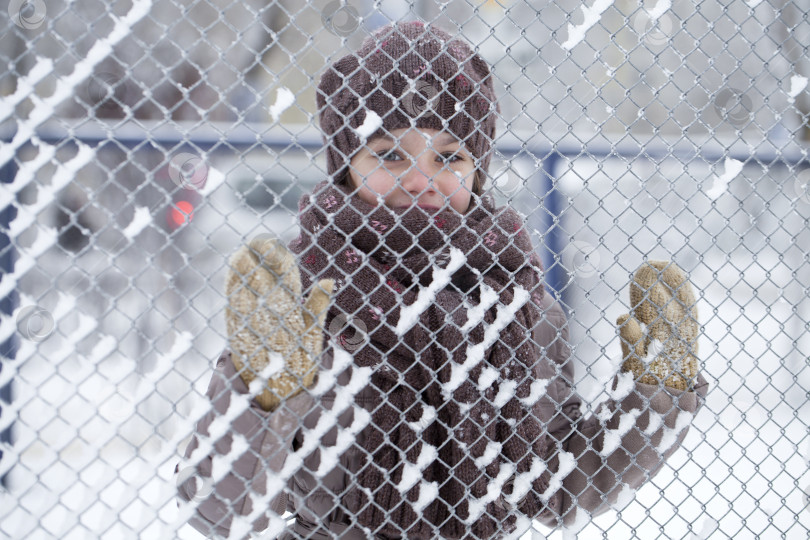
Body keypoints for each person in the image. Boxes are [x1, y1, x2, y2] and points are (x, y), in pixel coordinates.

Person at [177, 21, 708, 539]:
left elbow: (562, 485)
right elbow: (224, 515)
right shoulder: (303, 298)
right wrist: (259, 392)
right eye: (389, 154)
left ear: (478, 169)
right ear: (346, 166)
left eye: (449, 156)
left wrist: (654, 395)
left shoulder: (518, 300)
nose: (421, 180)